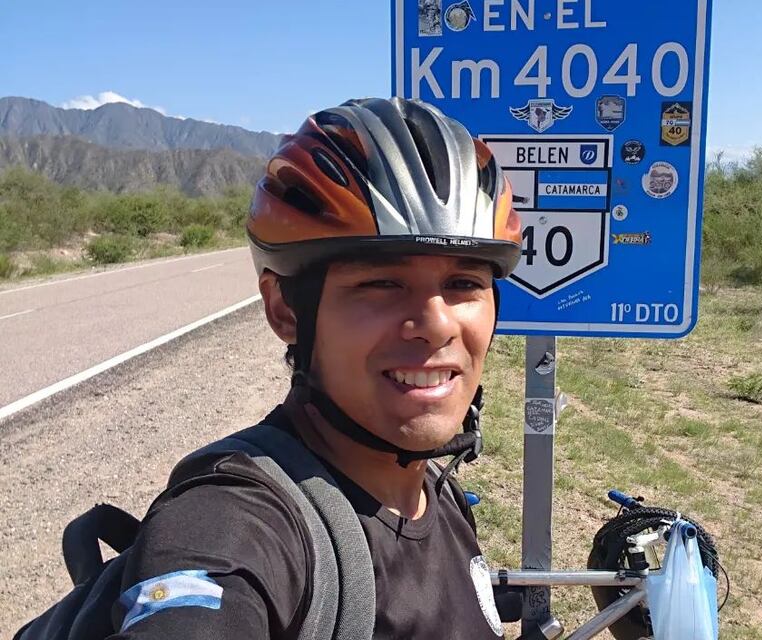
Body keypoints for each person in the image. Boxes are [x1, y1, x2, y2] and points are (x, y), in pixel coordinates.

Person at [111, 97, 522, 638]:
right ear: (286, 310)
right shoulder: (235, 521)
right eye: (381, 283)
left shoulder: (437, 495)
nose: (436, 324)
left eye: (464, 283)